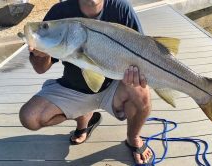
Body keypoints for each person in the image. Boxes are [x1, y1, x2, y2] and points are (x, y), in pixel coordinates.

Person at [19, 0, 153, 164]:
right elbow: (40, 69)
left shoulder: (121, 8)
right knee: (29, 117)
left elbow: (146, 49)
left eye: (45, 27)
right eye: (45, 26)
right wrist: (41, 54)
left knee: (141, 92)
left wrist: (138, 73)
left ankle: (133, 137)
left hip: (114, 87)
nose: (44, 28)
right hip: (73, 88)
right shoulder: (60, 11)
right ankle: (85, 120)